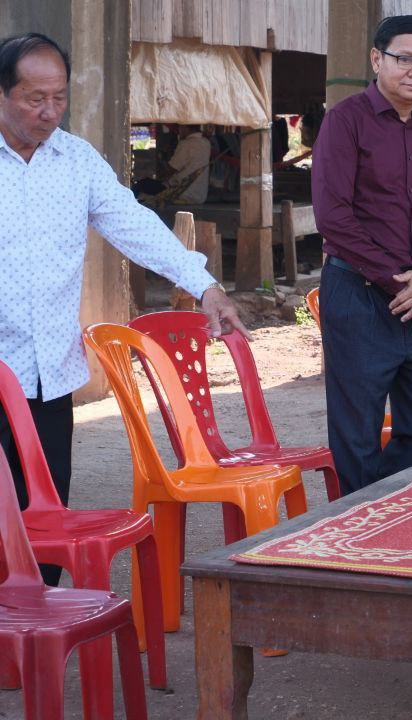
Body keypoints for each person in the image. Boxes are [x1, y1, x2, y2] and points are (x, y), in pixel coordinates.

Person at [0, 32, 246, 585]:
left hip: (47, 377)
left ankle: (37, 626)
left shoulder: (76, 161)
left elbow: (135, 226)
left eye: (59, 97)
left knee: (46, 527)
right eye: (34, 99)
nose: (50, 112)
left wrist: (205, 286)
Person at [312, 15, 412, 495]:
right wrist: (402, 282)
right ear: (377, 59)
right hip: (358, 295)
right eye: (405, 59)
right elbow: (334, 218)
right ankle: (357, 524)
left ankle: (391, 510)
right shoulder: (345, 121)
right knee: (357, 437)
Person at [167, 124, 211, 203]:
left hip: (182, 194)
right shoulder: (206, 142)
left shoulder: (186, 144)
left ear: (186, 127)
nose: (179, 130)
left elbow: (173, 168)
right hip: (201, 196)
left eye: (180, 127)